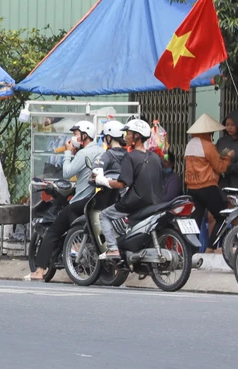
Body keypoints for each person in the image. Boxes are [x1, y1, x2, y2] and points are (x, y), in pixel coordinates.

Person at [26, 121, 103, 281]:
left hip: (80, 202)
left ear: (84, 136)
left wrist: (68, 153)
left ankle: (39, 271)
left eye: (75, 134)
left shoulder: (84, 153)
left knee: (54, 231)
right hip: (96, 202)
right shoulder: (101, 151)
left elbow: (67, 172)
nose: (73, 137)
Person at [94, 118, 162, 258]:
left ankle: (113, 248)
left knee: (104, 215)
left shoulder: (130, 157)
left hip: (134, 202)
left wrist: (103, 180)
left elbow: (121, 184)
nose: (125, 136)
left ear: (136, 136)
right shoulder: (155, 157)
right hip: (154, 201)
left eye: (128, 133)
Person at [184, 113, 233, 249]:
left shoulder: (189, 145)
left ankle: (191, 252)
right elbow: (220, 168)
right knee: (223, 217)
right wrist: (228, 157)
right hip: (207, 187)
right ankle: (210, 247)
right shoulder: (208, 146)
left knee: (195, 221)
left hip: (192, 188)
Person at [217, 111, 238, 189]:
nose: (229, 128)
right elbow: (215, 158)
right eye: (227, 125)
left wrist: (230, 167)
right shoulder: (221, 141)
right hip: (222, 185)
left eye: (232, 125)